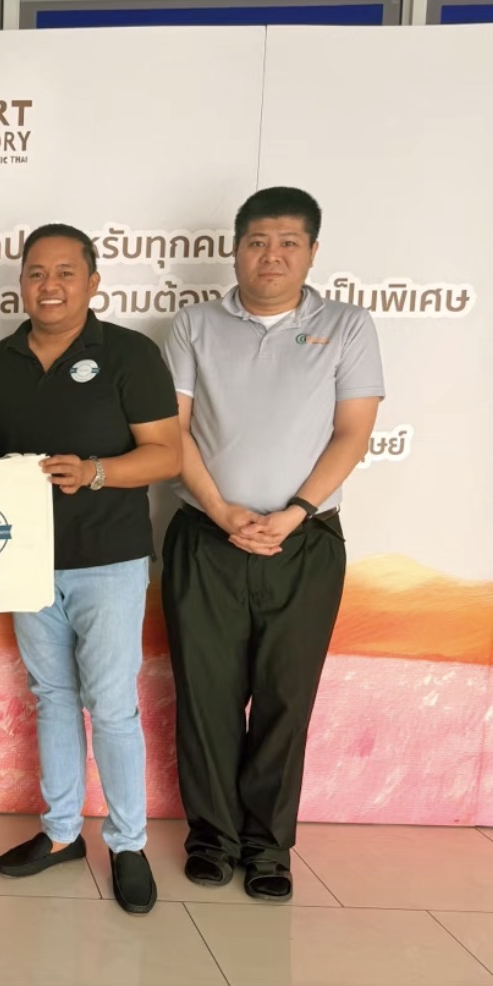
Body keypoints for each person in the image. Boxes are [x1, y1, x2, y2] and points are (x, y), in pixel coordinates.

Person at [161, 187, 384, 901]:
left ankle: (267, 846)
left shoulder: (347, 325)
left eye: (289, 242)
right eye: (257, 242)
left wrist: (294, 512)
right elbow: (174, 432)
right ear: (235, 250)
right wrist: (222, 510)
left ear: (312, 252)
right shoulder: (194, 325)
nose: (272, 256)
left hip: (305, 542)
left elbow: (352, 432)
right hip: (207, 538)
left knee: (287, 697)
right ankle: (212, 838)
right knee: (207, 696)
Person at [0, 224, 181, 915]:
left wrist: (95, 472)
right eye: (36, 272)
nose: (49, 285)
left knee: (111, 704)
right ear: (21, 283)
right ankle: (61, 833)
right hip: (26, 562)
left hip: (109, 561)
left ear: (93, 282)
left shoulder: (129, 354)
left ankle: (127, 844)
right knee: (53, 697)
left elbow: (167, 455)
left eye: (65, 272)